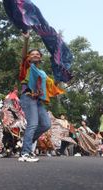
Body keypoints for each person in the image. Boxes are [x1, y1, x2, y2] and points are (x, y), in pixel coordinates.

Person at [18, 32, 65, 162]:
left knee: (45, 124)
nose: (35, 55)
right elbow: (23, 56)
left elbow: (52, 84)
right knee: (32, 124)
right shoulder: (27, 66)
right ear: (29, 57)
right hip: (28, 97)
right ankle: (25, 153)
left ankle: (26, 142)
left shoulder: (42, 73)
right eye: (32, 54)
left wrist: (62, 74)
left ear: (40, 58)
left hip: (38, 100)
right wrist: (26, 39)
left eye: (37, 54)